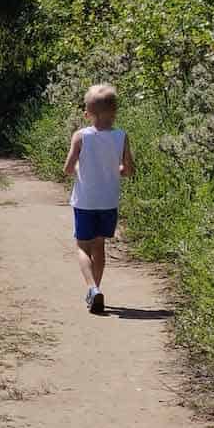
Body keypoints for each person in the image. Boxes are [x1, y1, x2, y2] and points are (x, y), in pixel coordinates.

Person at [62, 82, 134, 315]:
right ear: (115, 113)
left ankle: (92, 288)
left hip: (85, 201)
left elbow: (68, 168)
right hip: (108, 201)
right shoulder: (122, 136)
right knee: (99, 245)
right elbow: (128, 170)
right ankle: (97, 289)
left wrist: (81, 169)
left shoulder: (81, 136)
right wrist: (118, 169)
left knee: (83, 247)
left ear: (87, 114)